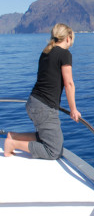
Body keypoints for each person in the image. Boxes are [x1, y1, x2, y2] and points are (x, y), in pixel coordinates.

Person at [4, 23, 81, 160]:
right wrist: (73, 109)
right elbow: (69, 84)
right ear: (68, 38)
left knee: (46, 137)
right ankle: (13, 143)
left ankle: (13, 136)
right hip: (44, 107)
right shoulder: (65, 54)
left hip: (33, 102)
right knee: (54, 151)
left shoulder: (46, 52)